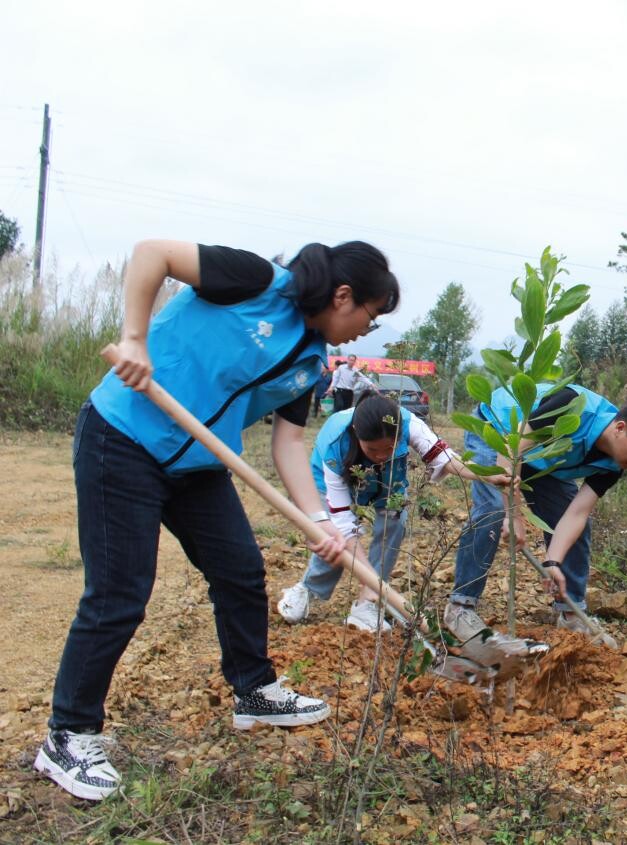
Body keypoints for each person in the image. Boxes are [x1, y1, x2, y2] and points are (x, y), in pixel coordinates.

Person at [35, 239, 399, 802]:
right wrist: (135, 337)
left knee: (239, 570)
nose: (363, 331)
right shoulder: (255, 281)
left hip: (200, 465)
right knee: (120, 592)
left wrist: (318, 521)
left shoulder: (311, 362)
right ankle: (68, 734)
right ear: (342, 295)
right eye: (368, 317)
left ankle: (253, 690)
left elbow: (289, 443)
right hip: (123, 439)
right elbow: (152, 253)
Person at [444, 384, 627, 646]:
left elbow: (576, 513)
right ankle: (460, 607)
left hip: (541, 458)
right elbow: (513, 447)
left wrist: (553, 562)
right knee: (493, 511)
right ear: (620, 428)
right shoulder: (570, 405)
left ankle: (571, 614)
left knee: (579, 525)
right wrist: (514, 514)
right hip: (501, 434)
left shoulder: (614, 465)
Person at [277, 394, 508, 630]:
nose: (381, 455)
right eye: (373, 449)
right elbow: (346, 529)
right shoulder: (334, 443)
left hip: (388, 480)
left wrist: (486, 474)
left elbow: (445, 458)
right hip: (331, 481)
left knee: (395, 523)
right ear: (357, 433)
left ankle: (367, 603)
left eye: (389, 447)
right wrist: (377, 584)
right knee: (333, 539)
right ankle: (308, 588)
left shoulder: (409, 424)